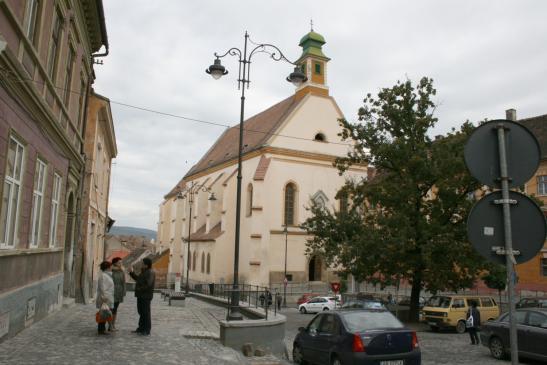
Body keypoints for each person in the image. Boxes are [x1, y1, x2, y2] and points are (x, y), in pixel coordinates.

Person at [129, 258, 155, 336]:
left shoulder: (150, 272)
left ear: (146, 265)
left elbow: (148, 285)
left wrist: (139, 289)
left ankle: (146, 330)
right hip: (141, 295)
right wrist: (131, 273)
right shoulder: (144, 271)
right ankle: (141, 328)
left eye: (142, 263)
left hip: (146, 296)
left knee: (145, 313)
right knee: (141, 312)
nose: (141, 264)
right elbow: (138, 279)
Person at [96, 261, 114, 335]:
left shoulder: (107, 275)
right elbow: (102, 287)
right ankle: (101, 330)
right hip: (105, 298)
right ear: (107, 267)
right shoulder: (103, 276)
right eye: (110, 266)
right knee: (103, 313)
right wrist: (104, 297)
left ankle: (103, 329)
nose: (111, 267)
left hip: (108, 297)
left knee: (105, 313)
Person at [110, 257, 126, 331]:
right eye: (119, 262)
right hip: (112, 291)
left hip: (119, 291)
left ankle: (113, 325)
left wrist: (124, 291)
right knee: (111, 309)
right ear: (115, 263)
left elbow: (123, 282)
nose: (121, 264)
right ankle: (110, 325)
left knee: (115, 309)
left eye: (121, 262)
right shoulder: (111, 270)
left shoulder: (122, 271)